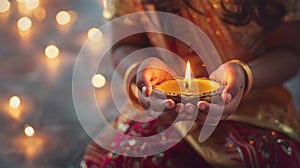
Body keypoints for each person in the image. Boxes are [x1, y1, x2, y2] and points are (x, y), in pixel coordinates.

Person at [82, 0, 300, 167]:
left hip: (257, 106)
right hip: (164, 109)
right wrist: (140, 69)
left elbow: (289, 52)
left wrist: (244, 76)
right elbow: (125, 45)